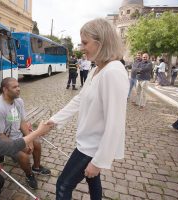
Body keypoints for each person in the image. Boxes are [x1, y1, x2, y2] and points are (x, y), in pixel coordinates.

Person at [47, 18, 129, 200]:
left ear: (101, 42)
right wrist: (54, 120)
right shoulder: (97, 69)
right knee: (93, 181)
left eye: (85, 42)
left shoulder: (113, 72)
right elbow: (79, 99)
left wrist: (99, 161)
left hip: (92, 148)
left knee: (63, 185)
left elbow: (115, 123)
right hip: (88, 142)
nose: (82, 47)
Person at [0, 77, 51, 189]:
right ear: (5, 89)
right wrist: (21, 146)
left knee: (37, 143)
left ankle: (36, 167)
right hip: (4, 141)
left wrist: (30, 140)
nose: (18, 89)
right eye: (14, 87)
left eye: (18, 86)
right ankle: (29, 175)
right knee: (24, 157)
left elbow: (22, 122)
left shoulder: (18, 101)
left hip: (17, 137)